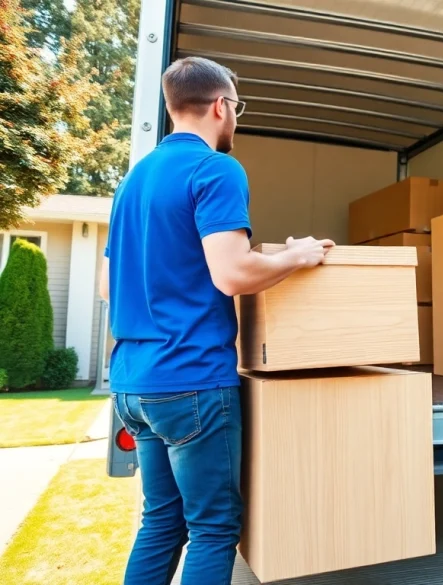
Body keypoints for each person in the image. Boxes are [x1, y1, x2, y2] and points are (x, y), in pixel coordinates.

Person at [99, 56, 335, 585]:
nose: (236, 119)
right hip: (193, 382)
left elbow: (104, 288)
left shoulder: (132, 182)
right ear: (221, 106)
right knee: (212, 527)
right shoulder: (216, 169)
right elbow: (232, 273)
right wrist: (297, 256)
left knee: (161, 521)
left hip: (135, 383)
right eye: (237, 108)